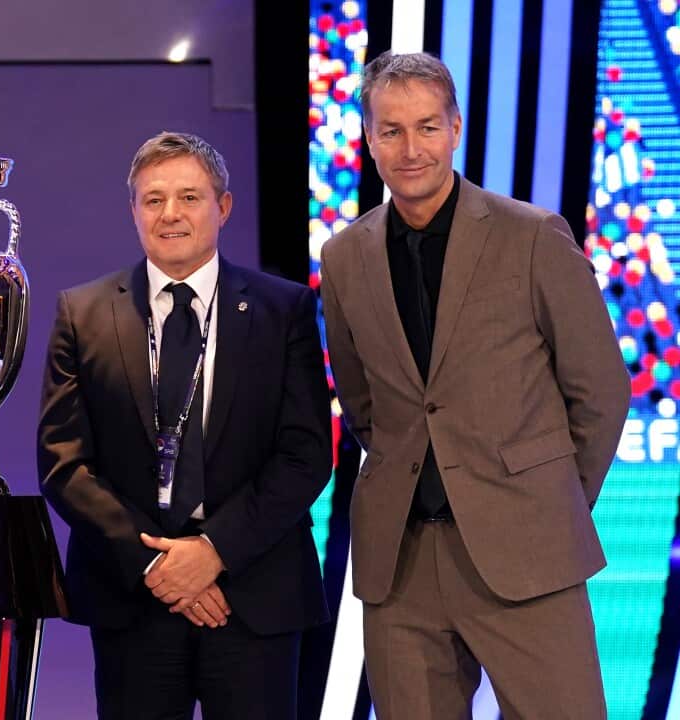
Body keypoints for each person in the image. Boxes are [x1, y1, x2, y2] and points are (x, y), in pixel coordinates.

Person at [320, 51, 629, 717]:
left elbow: (600, 389)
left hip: (527, 549)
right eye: (392, 130)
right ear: (369, 139)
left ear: (456, 129)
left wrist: (550, 504)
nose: (410, 148)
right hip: (400, 563)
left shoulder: (534, 236)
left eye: (427, 127)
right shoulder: (344, 256)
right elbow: (363, 402)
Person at [37, 131, 332, 719]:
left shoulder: (285, 310)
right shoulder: (84, 312)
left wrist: (213, 552)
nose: (170, 214)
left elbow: (305, 456)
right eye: (153, 199)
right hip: (134, 597)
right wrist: (158, 564)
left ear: (222, 207)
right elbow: (64, 464)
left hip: (253, 597)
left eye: (189, 197)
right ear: (134, 212)